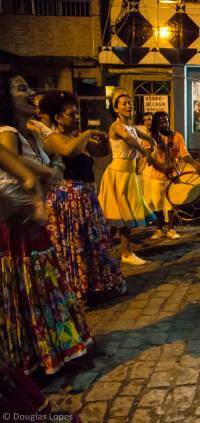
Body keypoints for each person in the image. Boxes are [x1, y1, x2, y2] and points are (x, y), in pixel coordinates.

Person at [0, 71, 92, 374]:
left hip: (32, 214)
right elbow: (12, 162)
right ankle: (34, 354)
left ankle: (52, 347)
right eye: (21, 89)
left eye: (29, 87)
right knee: (29, 288)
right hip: (16, 219)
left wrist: (43, 182)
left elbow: (52, 165)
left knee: (42, 285)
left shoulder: (30, 131)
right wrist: (39, 173)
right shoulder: (7, 131)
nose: (30, 94)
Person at [39, 90, 126, 301]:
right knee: (75, 245)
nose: (76, 117)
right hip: (68, 199)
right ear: (58, 118)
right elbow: (68, 151)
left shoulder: (74, 138)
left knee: (94, 243)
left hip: (85, 198)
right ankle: (76, 288)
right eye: (71, 114)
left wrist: (104, 140)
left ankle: (97, 284)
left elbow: (99, 152)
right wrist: (87, 133)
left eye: (77, 113)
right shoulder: (53, 138)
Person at [99, 88, 160, 265]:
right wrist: (145, 152)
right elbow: (130, 140)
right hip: (117, 174)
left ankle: (123, 252)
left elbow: (146, 138)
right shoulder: (116, 126)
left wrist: (153, 144)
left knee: (125, 216)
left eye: (130, 103)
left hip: (129, 174)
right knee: (117, 217)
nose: (128, 105)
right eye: (124, 103)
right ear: (116, 108)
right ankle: (113, 252)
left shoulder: (131, 126)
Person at [145, 111, 200, 240]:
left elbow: (184, 154)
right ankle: (159, 229)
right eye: (160, 122)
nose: (164, 124)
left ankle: (171, 229)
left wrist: (194, 163)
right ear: (156, 124)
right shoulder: (151, 137)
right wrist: (161, 166)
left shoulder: (177, 137)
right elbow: (148, 157)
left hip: (173, 175)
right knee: (158, 203)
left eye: (166, 121)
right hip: (157, 174)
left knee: (172, 203)